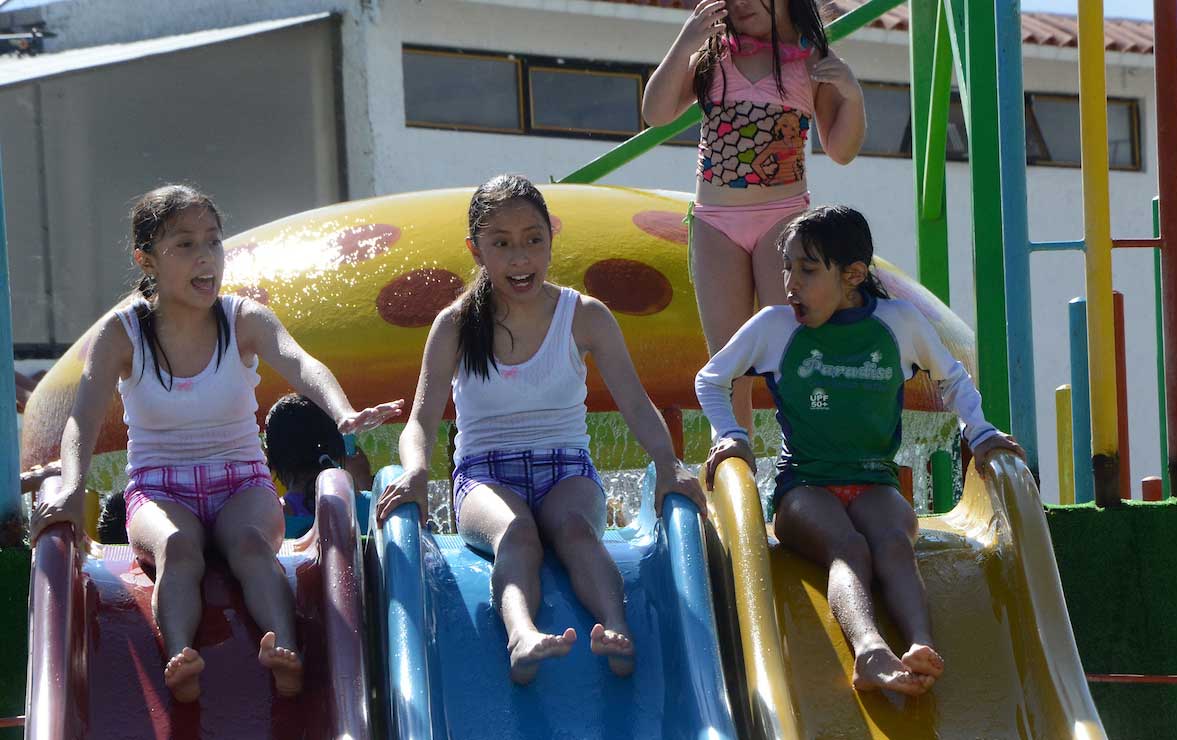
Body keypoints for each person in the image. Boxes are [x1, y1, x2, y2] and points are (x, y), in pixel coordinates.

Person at [27, 184, 404, 703]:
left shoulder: (241, 318)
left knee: (251, 545)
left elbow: (300, 363)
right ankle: (179, 658)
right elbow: (81, 420)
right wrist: (72, 486)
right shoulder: (124, 333)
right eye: (184, 244)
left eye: (213, 241)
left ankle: (285, 652)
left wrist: (342, 413)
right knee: (178, 549)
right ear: (147, 259)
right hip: (159, 489)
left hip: (241, 481)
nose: (206, 256)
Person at [375, 174, 707, 685]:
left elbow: (638, 406)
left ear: (552, 235)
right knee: (518, 533)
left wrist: (668, 465)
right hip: (485, 476)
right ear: (476, 249)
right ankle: (521, 634)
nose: (520, 258)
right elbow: (420, 418)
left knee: (575, 531)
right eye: (501, 244)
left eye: (533, 239)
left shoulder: (584, 316)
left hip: (566, 468)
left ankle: (616, 628)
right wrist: (417, 470)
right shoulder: (458, 323)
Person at [697, 205, 1024, 695]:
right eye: (787, 266)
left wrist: (979, 433)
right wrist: (732, 436)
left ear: (852, 275)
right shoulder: (775, 327)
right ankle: (869, 651)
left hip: (874, 480)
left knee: (893, 543)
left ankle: (919, 645)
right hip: (803, 487)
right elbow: (711, 379)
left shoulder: (898, 323)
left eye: (807, 270)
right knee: (848, 548)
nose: (790, 283)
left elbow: (952, 379)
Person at [644, 0, 866, 439]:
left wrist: (853, 94)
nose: (740, 3)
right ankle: (731, 462)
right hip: (716, 225)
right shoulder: (712, 53)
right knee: (729, 362)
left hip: (781, 224)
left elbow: (842, 150)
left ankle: (805, 458)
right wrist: (686, 41)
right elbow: (656, 112)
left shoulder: (811, 59)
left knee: (791, 351)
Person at [264, 393, 373, 519]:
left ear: (271, 458)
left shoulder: (270, 520)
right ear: (336, 447)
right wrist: (363, 480)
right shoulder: (370, 506)